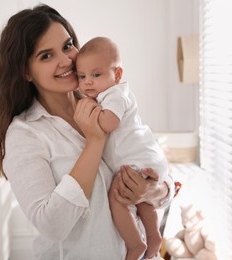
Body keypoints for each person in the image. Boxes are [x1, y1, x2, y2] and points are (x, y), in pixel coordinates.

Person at [0, 4, 174, 260]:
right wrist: (94, 141)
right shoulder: (25, 135)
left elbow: (155, 166)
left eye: (67, 46)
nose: (66, 61)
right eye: (46, 56)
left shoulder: (107, 101)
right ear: (25, 71)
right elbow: (52, 225)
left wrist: (155, 191)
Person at [76, 37, 168, 260]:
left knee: (118, 197)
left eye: (96, 75)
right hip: (145, 159)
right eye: (82, 76)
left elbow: (108, 124)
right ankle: (154, 235)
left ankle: (135, 244)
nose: (87, 82)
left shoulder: (114, 94)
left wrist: (88, 112)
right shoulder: (108, 94)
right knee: (139, 196)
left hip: (137, 159)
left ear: (117, 75)